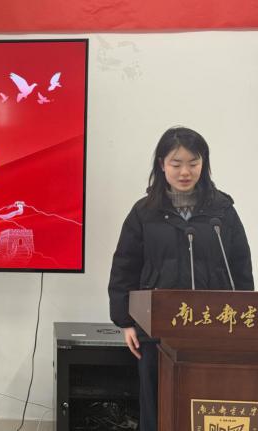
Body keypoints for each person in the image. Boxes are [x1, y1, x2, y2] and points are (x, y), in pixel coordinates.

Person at [107, 126, 254, 431]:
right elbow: (124, 267)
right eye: (176, 164)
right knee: (157, 404)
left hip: (214, 329)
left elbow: (241, 268)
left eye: (193, 163)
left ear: (204, 164)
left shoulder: (222, 211)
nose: (185, 172)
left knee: (211, 400)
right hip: (156, 330)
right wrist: (126, 322)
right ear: (162, 164)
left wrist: (245, 321)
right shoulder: (144, 212)